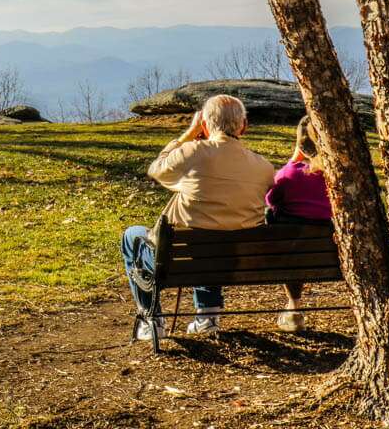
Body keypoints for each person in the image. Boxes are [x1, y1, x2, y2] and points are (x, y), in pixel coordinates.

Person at [121, 95, 275, 340]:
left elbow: (156, 170)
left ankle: (151, 320)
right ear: (243, 126)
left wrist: (187, 135)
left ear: (204, 125)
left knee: (132, 236)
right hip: (235, 260)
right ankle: (207, 316)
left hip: (179, 259)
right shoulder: (264, 167)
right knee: (217, 233)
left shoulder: (192, 152)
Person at [264, 115, 333, 332]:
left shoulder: (288, 174)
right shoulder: (334, 176)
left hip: (290, 252)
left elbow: (270, 200)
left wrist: (293, 160)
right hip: (327, 254)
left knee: (277, 219)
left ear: (299, 144)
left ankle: (294, 307)